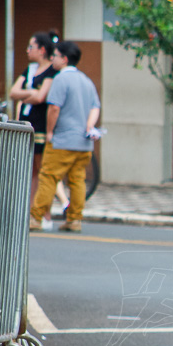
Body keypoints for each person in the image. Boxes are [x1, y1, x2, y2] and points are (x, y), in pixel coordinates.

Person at [28, 40, 101, 233]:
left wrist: (50, 131)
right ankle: (74, 220)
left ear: (65, 59)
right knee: (77, 180)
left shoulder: (61, 79)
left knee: (48, 177)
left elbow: (53, 108)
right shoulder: (86, 80)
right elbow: (96, 106)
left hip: (62, 140)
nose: (53, 59)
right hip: (84, 143)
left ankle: (35, 218)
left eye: (56, 55)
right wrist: (90, 125)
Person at [10, 30, 68, 219]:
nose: (27, 50)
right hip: (28, 122)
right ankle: (31, 211)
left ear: (42, 50)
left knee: (44, 170)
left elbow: (41, 97)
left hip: (43, 124)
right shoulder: (30, 69)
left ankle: (45, 213)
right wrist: (31, 93)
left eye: (31, 47)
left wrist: (27, 94)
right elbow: (13, 92)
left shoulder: (52, 71)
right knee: (32, 170)